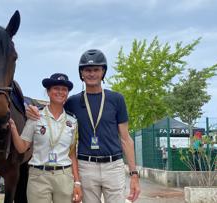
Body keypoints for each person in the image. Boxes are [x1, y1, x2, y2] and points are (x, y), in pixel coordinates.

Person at [26, 49, 141, 203]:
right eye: (87, 70)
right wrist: (28, 107)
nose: (91, 74)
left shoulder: (116, 99)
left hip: (113, 167)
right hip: (86, 166)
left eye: (96, 70)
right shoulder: (73, 102)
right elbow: (52, 108)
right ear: (81, 73)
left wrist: (134, 174)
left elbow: (126, 139)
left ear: (103, 72)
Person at [9, 73, 82, 203]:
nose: (60, 92)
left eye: (64, 89)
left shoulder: (72, 122)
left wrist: (77, 182)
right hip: (38, 177)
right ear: (48, 91)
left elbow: (72, 154)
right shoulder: (35, 117)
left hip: (64, 177)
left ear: (67, 93)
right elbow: (22, 148)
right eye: (56, 88)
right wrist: (13, 128)